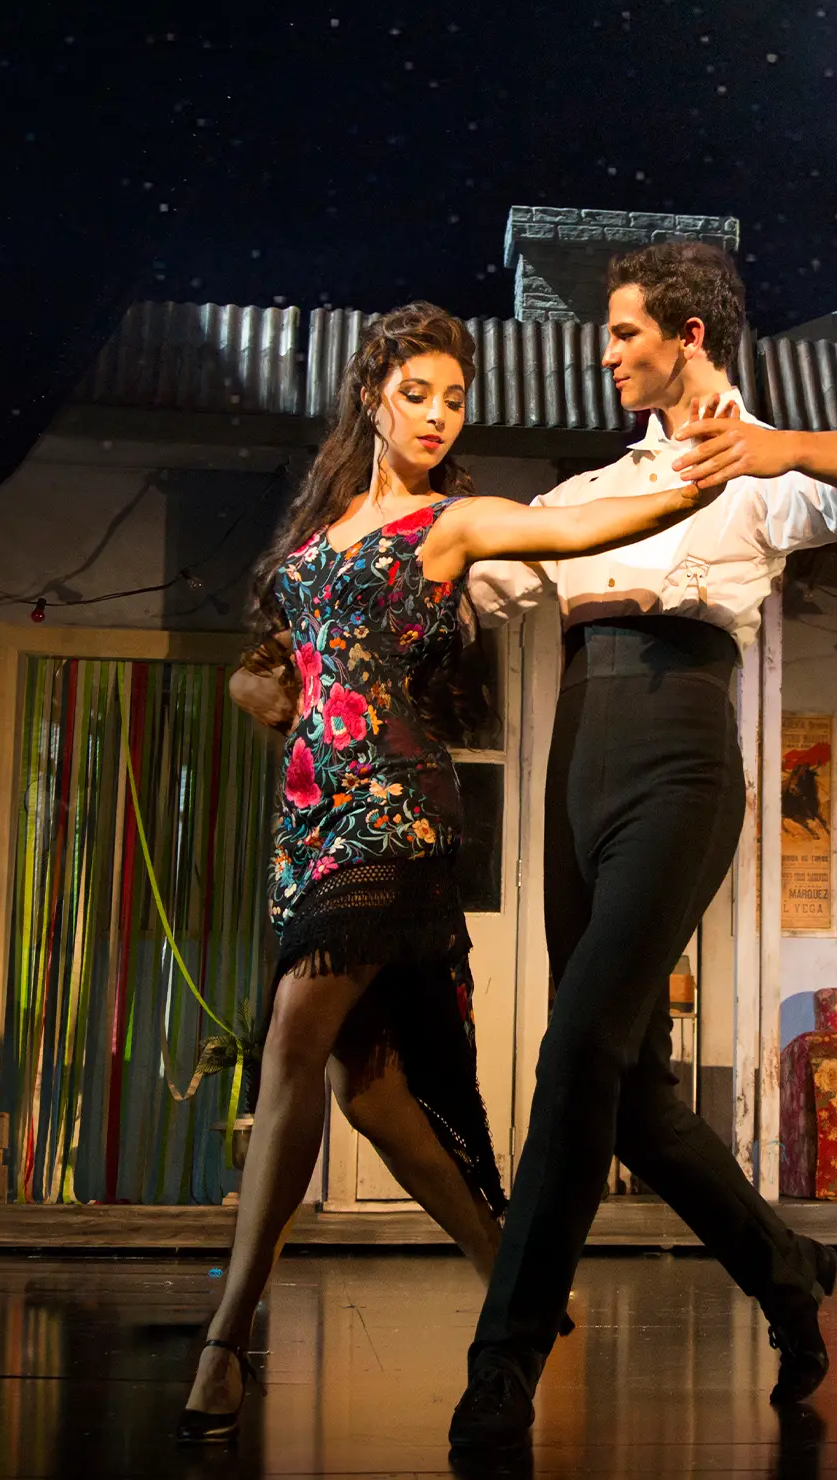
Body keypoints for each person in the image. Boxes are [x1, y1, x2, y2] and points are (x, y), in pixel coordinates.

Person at [177, 301, 722, 1443]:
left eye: (455, 399)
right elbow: (282, 664)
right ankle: (511, 1277)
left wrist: (695, 474)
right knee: (366, 1090)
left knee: (290, 1039)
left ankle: (224, 1338)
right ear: (371, 395)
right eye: (417, 393)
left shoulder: (453, 524)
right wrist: (260, 693)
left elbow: (583, 530)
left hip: (397, 812)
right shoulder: (321, 531)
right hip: (310, 821)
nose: (437, 415)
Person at [452, 240, 837, 1453]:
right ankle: (786, 1270)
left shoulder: (757, 475)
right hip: (578, 750)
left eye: (622, 332)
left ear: (687, 338)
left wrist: (782, 448)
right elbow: (466, 575)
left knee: (574, 1051)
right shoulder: (583, 494)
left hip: (680, 752)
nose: (604, 352)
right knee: (633, 1092)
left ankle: (503, 1363)